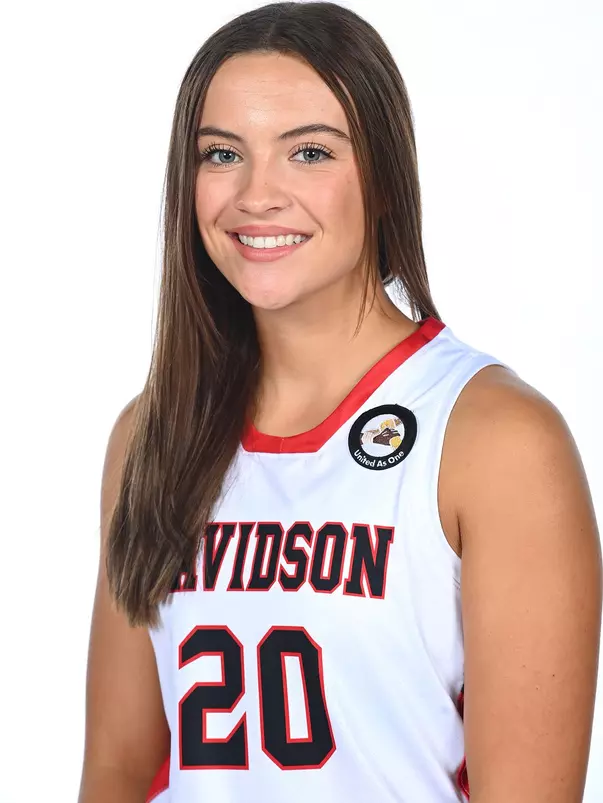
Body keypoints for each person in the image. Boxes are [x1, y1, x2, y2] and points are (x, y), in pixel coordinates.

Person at [77, 2, 602, 802]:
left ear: (385, 180)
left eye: (309, 152)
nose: (257, 195)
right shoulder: (152, 433)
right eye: (222, 154)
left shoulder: (494, 440)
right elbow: (115, 769)